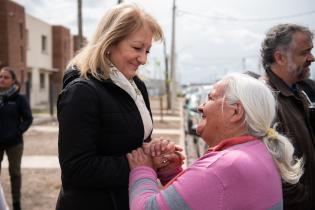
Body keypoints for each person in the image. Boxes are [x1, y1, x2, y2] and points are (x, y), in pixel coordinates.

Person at [55, 3, 173, 210]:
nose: (143, 59)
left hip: (128, 199)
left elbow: (134, 141)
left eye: (147, 50)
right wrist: (140, 165)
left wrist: (152, 149)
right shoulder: (81, 92)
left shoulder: (137, 86)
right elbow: (76, 169)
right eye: (137, 48)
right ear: (109, 42)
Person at [127, 73, 304, 210]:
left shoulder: (226, 166)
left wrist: (143, 169)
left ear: (236, 112)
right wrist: (171, 173)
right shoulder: (258, 151)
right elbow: (215, 196)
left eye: (210, 98)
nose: (199, 107)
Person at [260, 23, 315, 210]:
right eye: (304, 53)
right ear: (280, 58)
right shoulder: (265, 99)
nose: (312, 58)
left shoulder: (301, 91)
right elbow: (277, 173)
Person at [0, 67, 33, 210]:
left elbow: (28, 118)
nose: (1, 79)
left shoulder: (20, 98)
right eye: (0, 76)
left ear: (13, 81)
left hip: (14, 143)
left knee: (15, 173)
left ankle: (16, 204)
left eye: (6, 77)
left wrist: (17, 132)